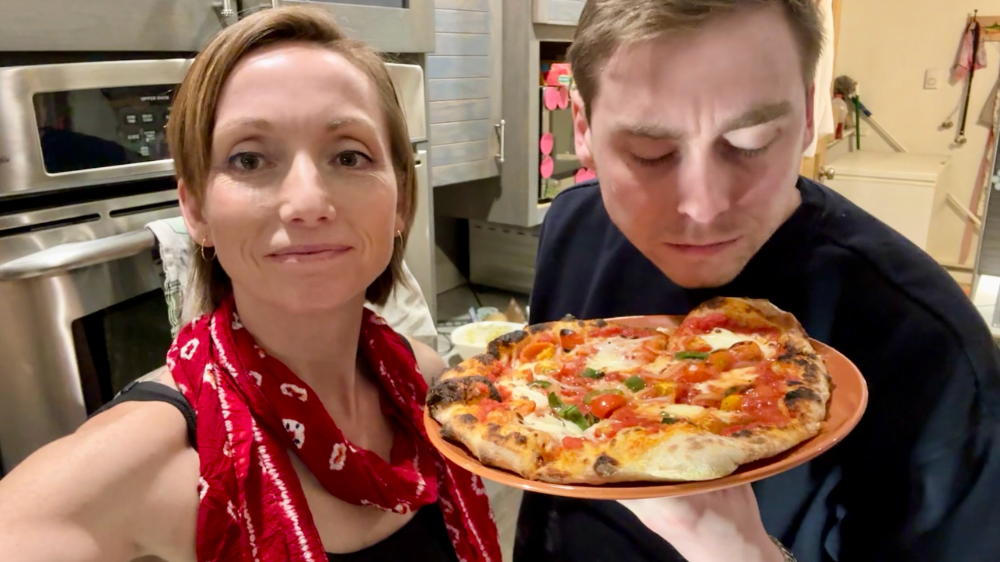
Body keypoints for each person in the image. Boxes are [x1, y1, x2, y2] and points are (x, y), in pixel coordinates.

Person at [0, 7, 501, 562]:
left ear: (401, 199)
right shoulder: (143, 460)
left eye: (349, 156)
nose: (307, 202)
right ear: (196, 210)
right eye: (250, 159)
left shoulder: (425, 386)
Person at [515, 1, 1000, 561]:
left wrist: (743, 550)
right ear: (583, 128)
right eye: (651, 153)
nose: (702, 206)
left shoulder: (935, 350)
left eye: (751, 142)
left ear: (810, 117)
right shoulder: (573, 222)